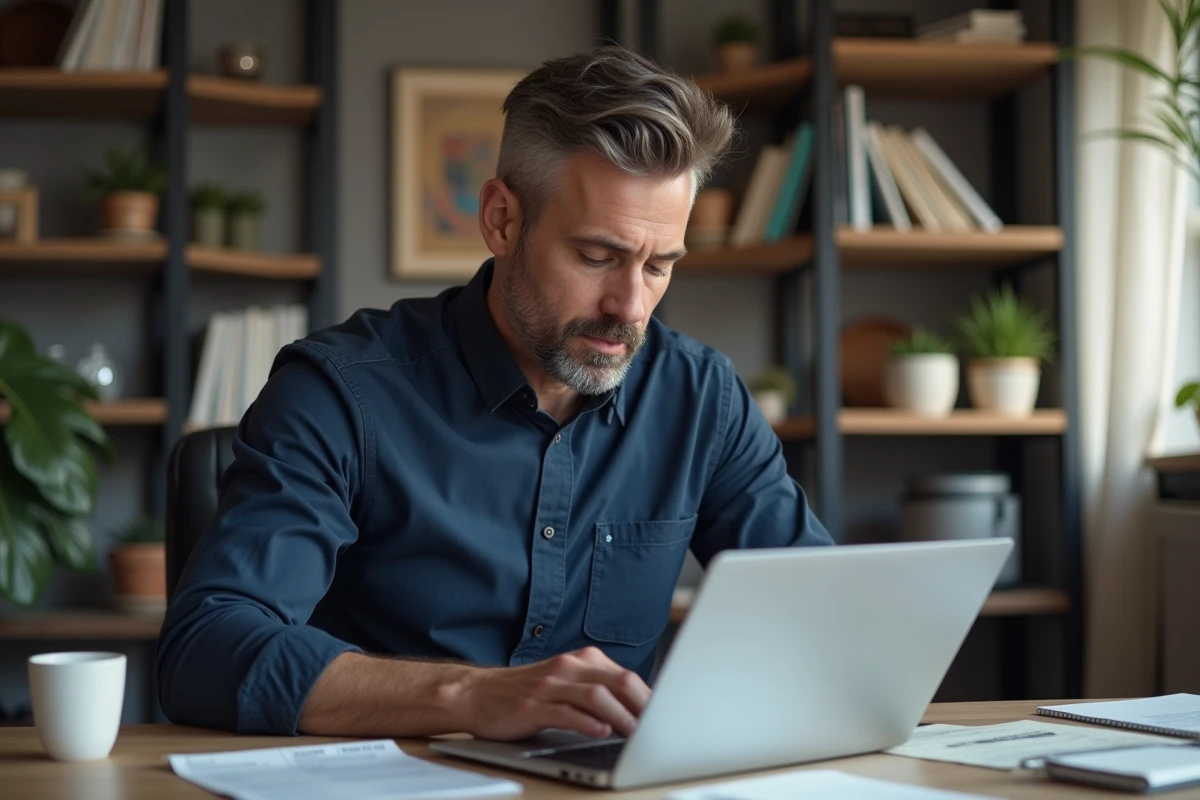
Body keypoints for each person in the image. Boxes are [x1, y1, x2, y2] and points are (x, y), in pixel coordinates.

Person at [156, 44, 832, 742]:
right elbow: (205, 651)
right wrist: (470, 697)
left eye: (660, 265)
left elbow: (827, 614)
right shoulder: (338, 391)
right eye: (598, 257)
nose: (632, 306)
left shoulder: (700, 399)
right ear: (502, 220)